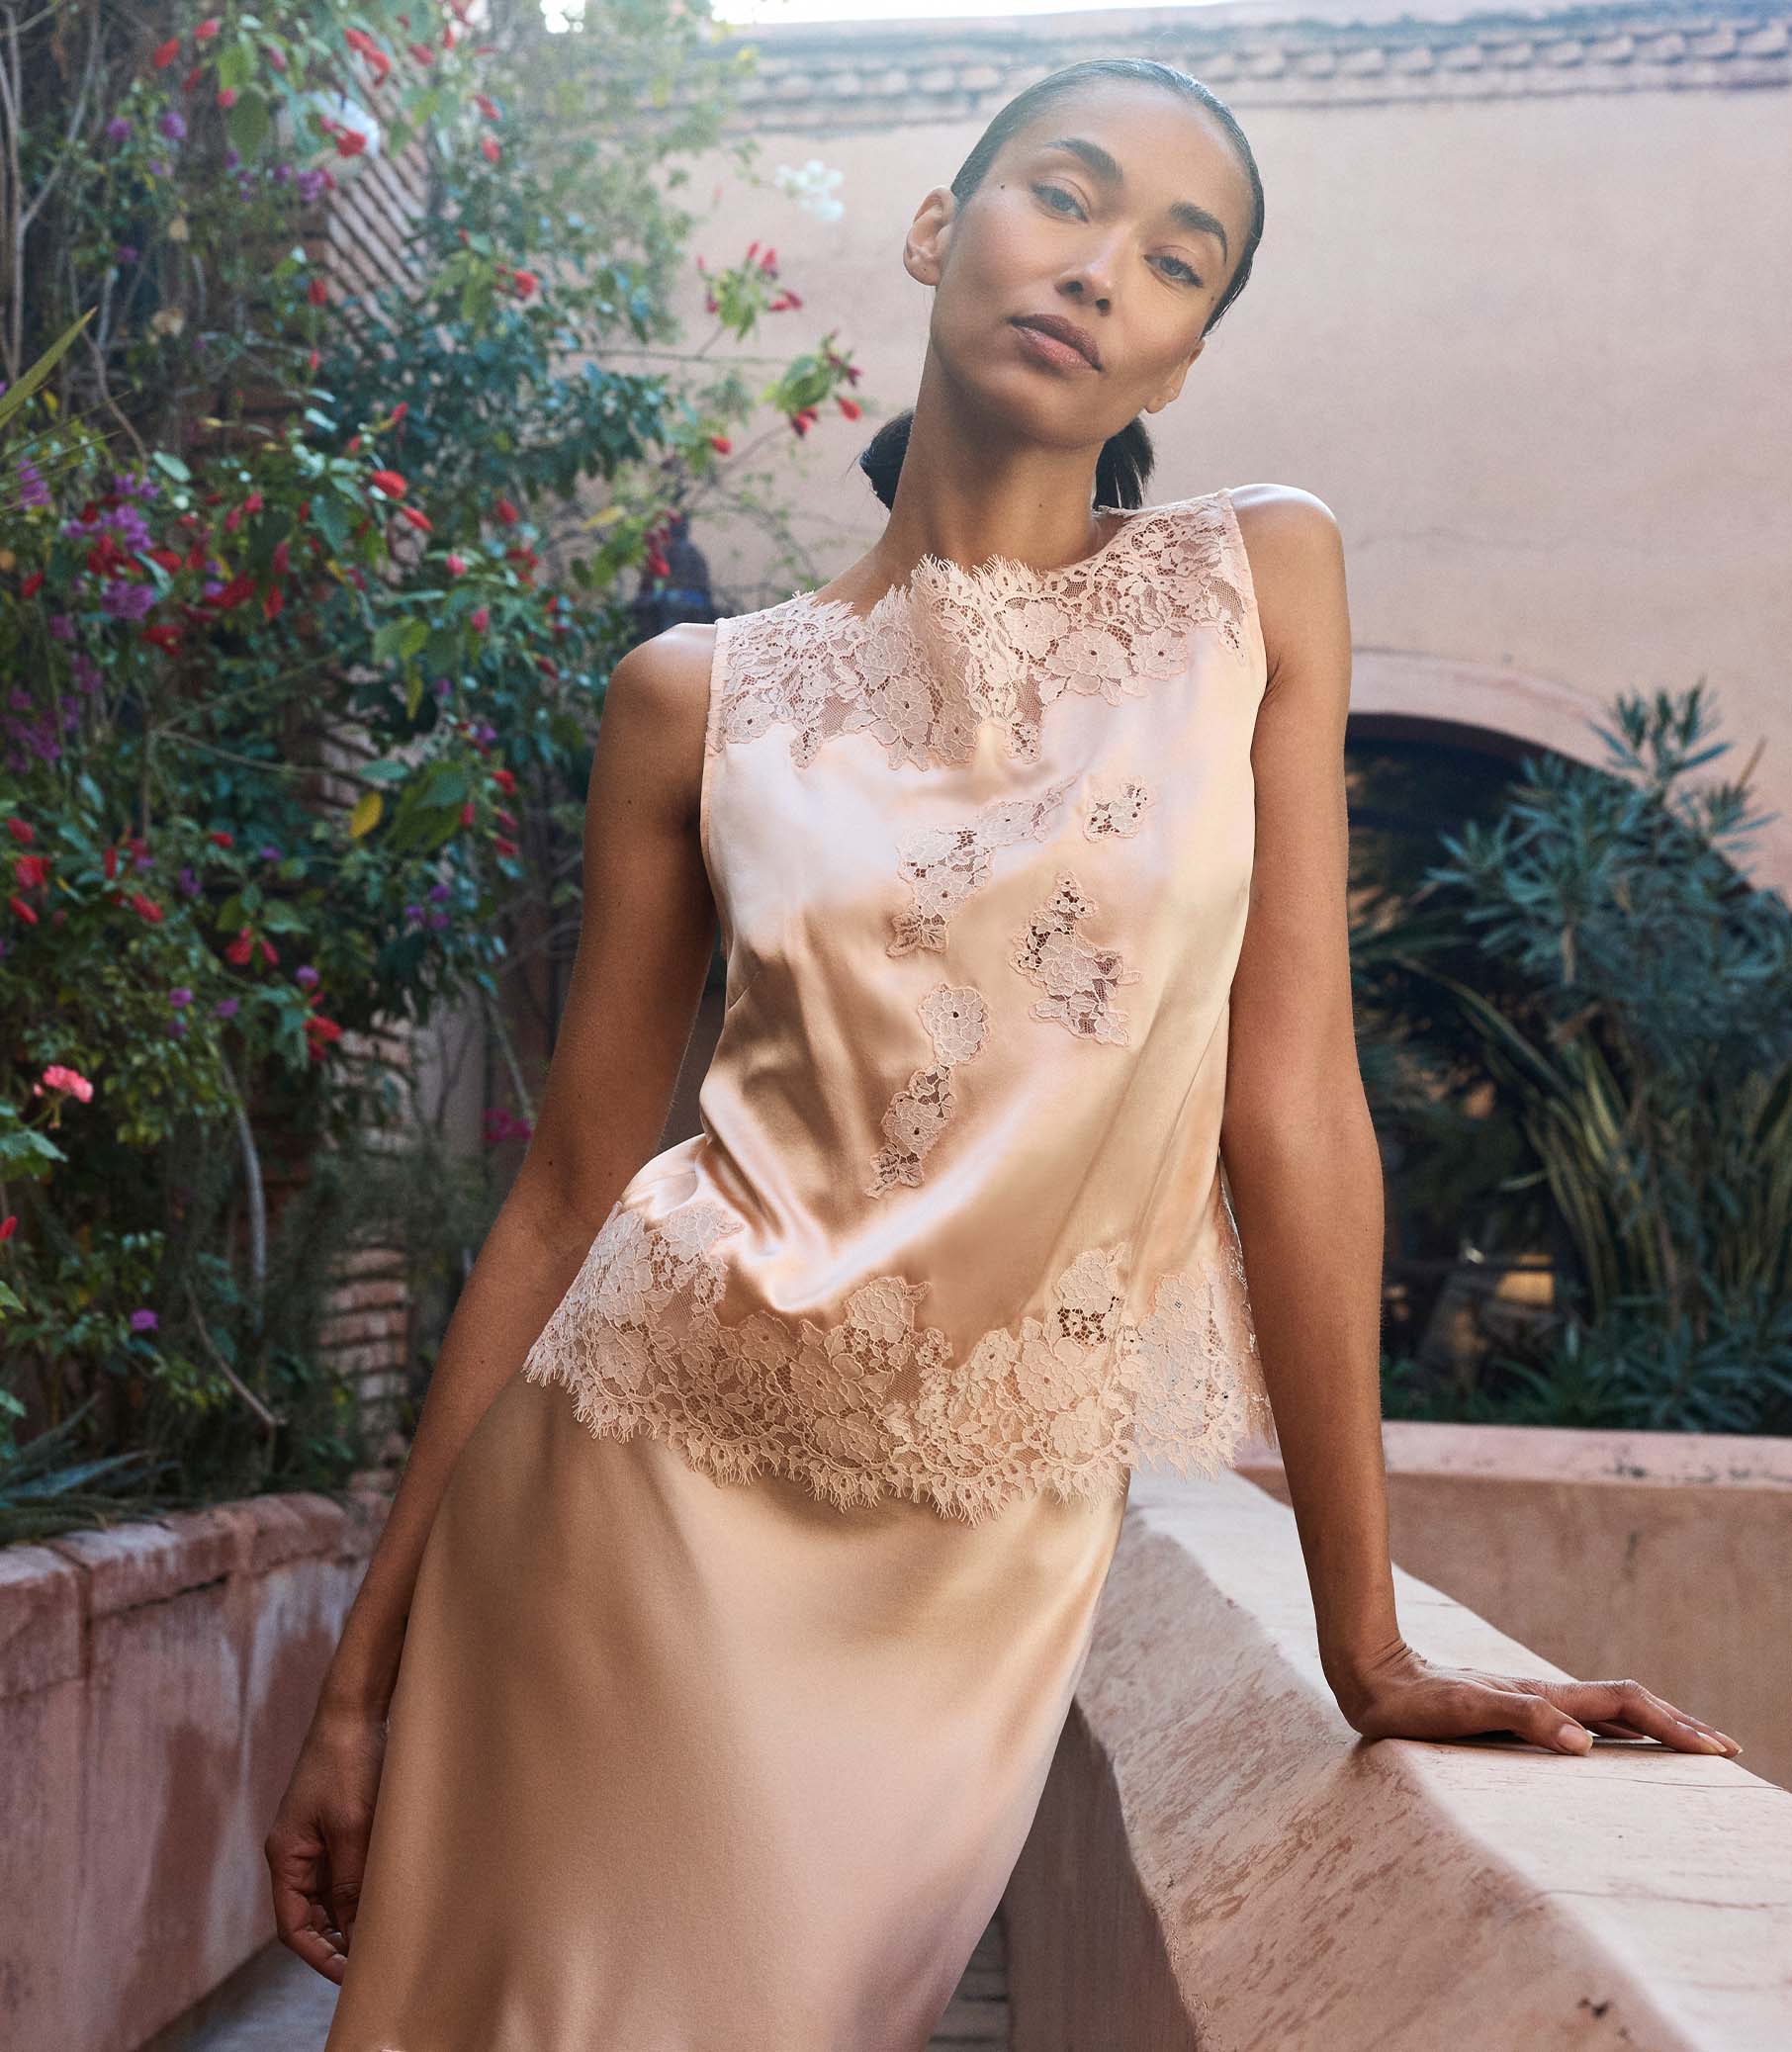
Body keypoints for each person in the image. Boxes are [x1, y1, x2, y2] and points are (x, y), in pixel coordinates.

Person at [270, 55, 1742, 2052]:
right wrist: (364, 1682)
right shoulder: (694, 699)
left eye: (1175, 256)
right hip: (630, 1499)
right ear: (939, 229)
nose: (1101, 267)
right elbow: (565, 1192)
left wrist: (1365, 1634)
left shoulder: (1255, 584)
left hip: (986, 1549)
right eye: (1063, 196)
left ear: (1186, 357)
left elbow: (1293, 1106)